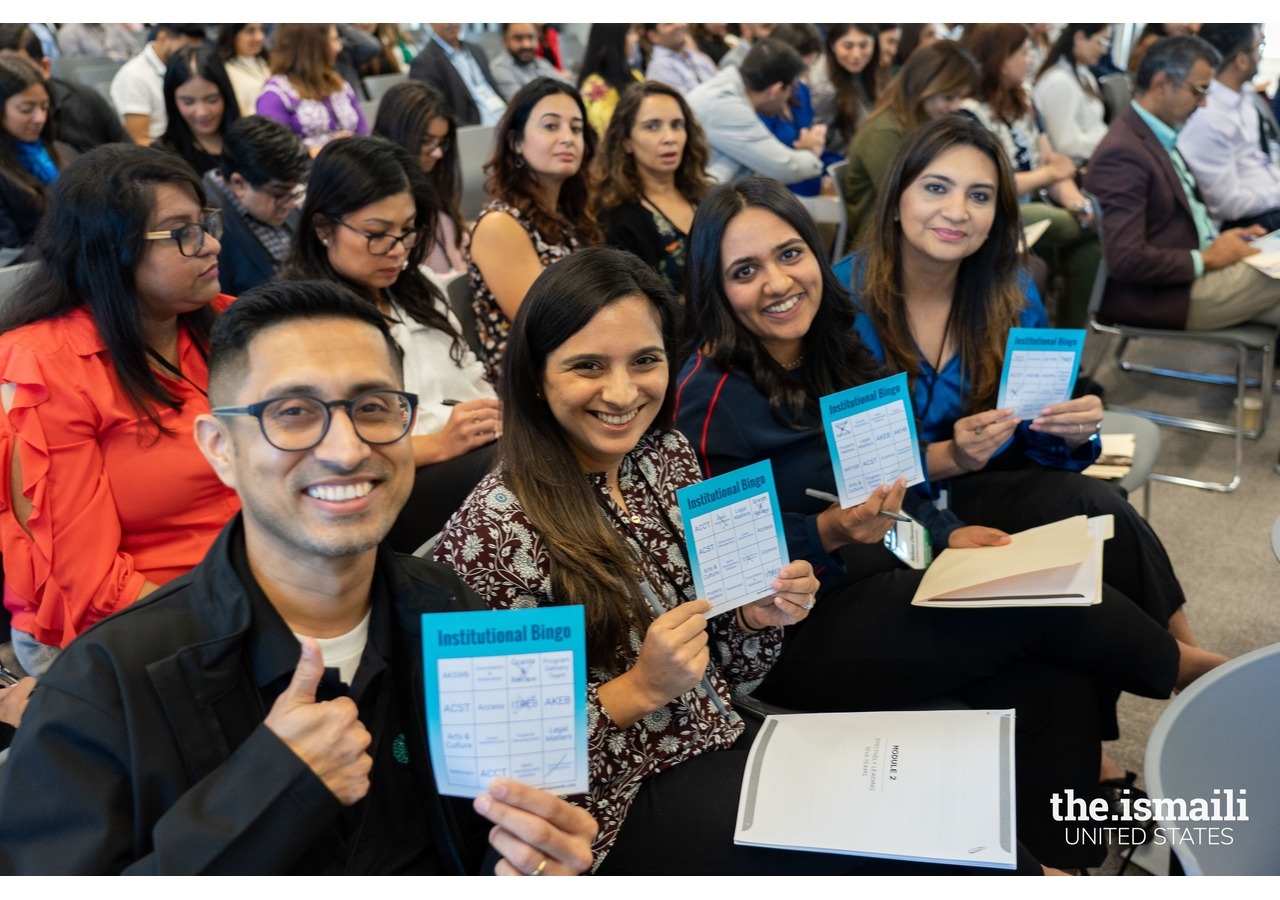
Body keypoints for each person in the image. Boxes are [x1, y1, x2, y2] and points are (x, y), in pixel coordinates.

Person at [435, 246, 1050, 875]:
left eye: (645, 361)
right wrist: (637, 690)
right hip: (608, 811)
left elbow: (731, 671)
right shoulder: (493, 530)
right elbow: (503, 771)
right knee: (913, 852)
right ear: (535, 376)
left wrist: (755, 618)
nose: (622, 392)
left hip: (720, 736)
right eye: (587, 366)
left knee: (953, 805)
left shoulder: (665, 456)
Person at [674, 174, 1225, 869]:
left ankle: (1059, 863)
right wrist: (831, 535)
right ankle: (1195, 675)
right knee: (1032, 603)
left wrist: (941, 532)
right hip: (790, 634)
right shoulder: (709, 398)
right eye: (745, 271)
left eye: (791, 254)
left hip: (882, 573)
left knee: (1058, 678)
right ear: (715, 288)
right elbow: (726, 571)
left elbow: (893, 476)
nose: (778, 282)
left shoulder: (836, 345)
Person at [0, 280, 598, 875]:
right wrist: (269, 791)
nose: (345, 449)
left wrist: (528, 860)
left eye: (372, 407)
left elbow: (487, 832)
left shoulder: (452, 613)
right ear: (219, 448)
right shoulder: (105, 687)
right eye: (292, 412)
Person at [836, 114, 1224, 664]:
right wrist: (949, 458)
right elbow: (852, 473)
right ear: (897, 195)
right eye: (936, 188)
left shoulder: (1011, 290)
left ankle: (1192, 663)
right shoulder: (843, 303)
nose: (957, 212)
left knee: (1099, 506)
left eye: (980, 196)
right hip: (894, 514)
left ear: (998, 214)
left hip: (986, 483)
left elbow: (1034, 441)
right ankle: (1185, 674)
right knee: (1062, 604)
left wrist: (1069, 430)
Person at [0, 144, 240, 676]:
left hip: (251, 587)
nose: (212, 244)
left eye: (205, 223)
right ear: (114, 250)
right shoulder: (46, 368)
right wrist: (243, 624)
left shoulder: (227, 323)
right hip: (137, 620)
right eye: (183, 232)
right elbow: (86, 585)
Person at [283, 136, 498, 550]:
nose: (398, 251)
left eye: (408, 231)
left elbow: (470, 374)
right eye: (378, 234)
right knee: (517, 473)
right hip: (389, 485)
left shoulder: (419, 288)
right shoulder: (307, 317)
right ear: (324, 227)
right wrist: (438, 444)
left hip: (473, 454)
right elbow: (325, 453)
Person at [1083, 35, 1280, 332]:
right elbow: (1125, 259)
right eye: (1199, 91)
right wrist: (1207, 258)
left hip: (1190, 277)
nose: (1203, 104)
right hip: (1168, 295)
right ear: (1162, 85)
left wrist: (1223, 244)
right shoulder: (1123, 153)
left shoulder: (1154, 135)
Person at [960, 23, 1100, 328]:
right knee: (1066, 222)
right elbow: (994, 183)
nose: (1031, 60)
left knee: (1088, 250)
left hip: (1035, 203)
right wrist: (1050, 174)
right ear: (999, 58)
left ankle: (1067, 356)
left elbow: (1053, 161)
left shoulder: (1023, 101)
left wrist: (1077, 202)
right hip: (998, 211)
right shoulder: (970, 113)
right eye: (1022, 53)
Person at [467, 78, 598, 384]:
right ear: (516, 142)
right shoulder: (500, 225)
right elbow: (546, 328)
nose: (568, 138)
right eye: (551, 126)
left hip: (581, 367)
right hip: (532, 386)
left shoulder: (568, 217)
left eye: (576, 129)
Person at [844, 40, 979, 250]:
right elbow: (903, 201)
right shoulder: (885, 133)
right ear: (923, 87)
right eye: (948, 97)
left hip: (918, 233)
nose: (956, 107)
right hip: (883, 245)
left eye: (960, 98)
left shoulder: (923, 125)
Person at [593, 82, 710, 296]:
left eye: (676, 125)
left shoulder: (706, 195)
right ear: (626, 141)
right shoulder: (618, 219)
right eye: (652, 126)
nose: (669, 138)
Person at [1177, 24, 1280, 232]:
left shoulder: (1245, 98)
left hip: (1267, 200)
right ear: (1241, 60)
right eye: (1258, 46)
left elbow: (1266, 157)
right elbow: (1226, 205)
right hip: (1243, 221)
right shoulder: (1207, 116)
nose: (1260, 55)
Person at [686, 39, 825, 186]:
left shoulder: (726, 90)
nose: (790, 97)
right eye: (791, 89)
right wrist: (811, 152)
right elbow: (786, 169)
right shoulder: (726, 105)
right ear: (775, 91)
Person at [202, 115, 309, 296]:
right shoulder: (206, 223)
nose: (291, 204)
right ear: (239, 184)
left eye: (294, 193)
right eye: (279, 194)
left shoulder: (275, 190)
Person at [374, 81, 468, 276]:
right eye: (426, 141)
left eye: (441, 142)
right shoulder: (378, 201)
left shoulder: (436, 186)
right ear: (397, 134)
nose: (438, 153)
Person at [0, 23, 131, 155]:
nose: (39, 119)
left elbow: (128, 152)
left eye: (18, 69)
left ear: (45, 67)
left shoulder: (86, 100)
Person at [256, 24, 368, 154]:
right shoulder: (275, 96)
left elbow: (364, 134)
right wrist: (329, 149)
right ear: (312, 47)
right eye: (333, 40)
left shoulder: (340, 86)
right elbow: (278, 155)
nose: (339, 47)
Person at [0, 52, 65, 258]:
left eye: (44, 107)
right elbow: (8, 254)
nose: (40, 118)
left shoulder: (59, 150)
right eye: (26, 109)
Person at [109, 24, 207, 146]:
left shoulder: (189, 66)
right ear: (162, 37)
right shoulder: (133, 76)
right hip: (162, 151)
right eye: (184, 48)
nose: (189, 56)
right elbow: (139, 140)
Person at [1031, 25, 1112, 167]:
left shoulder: (1084, 74)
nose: (1104, 50)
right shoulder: (1059, 81)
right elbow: (1066, 145)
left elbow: (1094, 126)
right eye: (1102, 42)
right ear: (1079, 38)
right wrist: (1108, 141)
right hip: (1073, 168)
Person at [155, 45, 240, 177]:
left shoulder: (249, 142)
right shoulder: (163, 158)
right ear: (172, 101)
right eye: (188, 102)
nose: (202, 112)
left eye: (211, 100)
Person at [408, 24, 505, 128]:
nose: (451, 23)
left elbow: (493, 90)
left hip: (503, 118)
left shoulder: (476, 51)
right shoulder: (425, 62)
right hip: (474, 128)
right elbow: (435, 111)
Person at [810, 24, 881, 156]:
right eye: (848, 46)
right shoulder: (827, 90)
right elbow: (818, 143)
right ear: (832, 46)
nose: (856, 54)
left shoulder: (868, 79)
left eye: (864, 45)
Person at [576, 24, 642, 137]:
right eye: (629, 33)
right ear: (613, 40)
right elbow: (607, 136)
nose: (635, 38)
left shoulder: (636, 76)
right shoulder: (594, 86)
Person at [491, 23, 570, 102]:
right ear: (504, 41)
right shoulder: (500, 68)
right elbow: (521, 105)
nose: (526, 45)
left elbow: (568, 90)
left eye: (531, 37)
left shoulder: (543, 64)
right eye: (518, 38)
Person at [643, 23, 716, 95]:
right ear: (653, 36)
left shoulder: (698, 57)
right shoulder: (659, 67)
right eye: (669, 23)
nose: (680, 25)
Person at [216, 24, 270, 117]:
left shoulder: (267, 60)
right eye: (250, 31)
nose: (259, 37)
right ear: (232, 34)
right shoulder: (223, 70)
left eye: (261, 29)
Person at [56, 22, 139, 61]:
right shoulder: (68, 32)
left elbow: (137, 51)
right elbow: (75, 65)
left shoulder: (115, 26)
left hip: (126, 72)